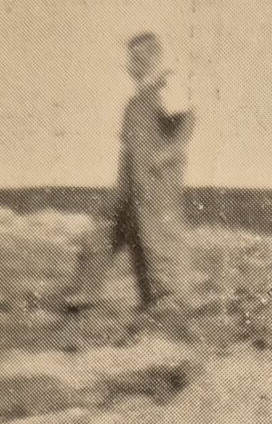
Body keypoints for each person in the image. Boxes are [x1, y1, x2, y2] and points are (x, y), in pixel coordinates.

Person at [60, 32, 195, 325]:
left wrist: (166, 155)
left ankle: (165, 306)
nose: (130, 63)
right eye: (130, 58)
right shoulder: (137, 100)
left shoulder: (168, 87)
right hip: (130, 179)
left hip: (157, 183)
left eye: (137, 57)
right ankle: (84, 297)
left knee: (155, 242)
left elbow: (187, 124)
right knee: (107, 230)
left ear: (152, 57)